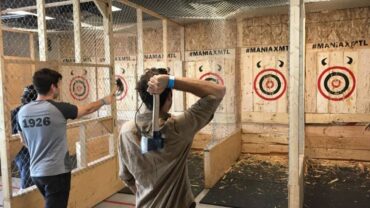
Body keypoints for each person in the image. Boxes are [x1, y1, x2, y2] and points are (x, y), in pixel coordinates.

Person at [118, 68, 226, 208]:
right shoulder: (178, 128)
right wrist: (171, 82)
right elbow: (218, 92)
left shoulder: (126, 131)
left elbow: (126, 177)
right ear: (169, 98)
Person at [17, 68, 115, 208]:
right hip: (56, 172)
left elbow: (23, 140)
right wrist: (105, 100)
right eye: (59, 85)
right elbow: (88, 109)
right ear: (53, 86)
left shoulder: (22, 112)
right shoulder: (58, 108)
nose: (59, 89)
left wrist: (39, 146)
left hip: (36, 172)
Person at [11, 85, 38, 189]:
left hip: (33, 147)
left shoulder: (38, 111)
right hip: (23, 149)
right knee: (28, 176)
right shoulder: (17, 112)